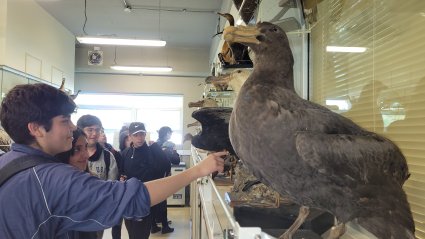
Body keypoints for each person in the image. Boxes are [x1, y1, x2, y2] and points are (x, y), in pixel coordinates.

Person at [0, 83, 225, 239]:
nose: (72, 127)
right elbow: (134, 198)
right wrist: (197, 170)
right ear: (36, 128)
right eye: (65, 120)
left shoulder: (7, 163)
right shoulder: (52, 180)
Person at [120, 122, 161, 239]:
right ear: (130, 136)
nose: (140, 138)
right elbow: (121, 173)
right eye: (136, 135)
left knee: (141, 234)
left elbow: (161, 173)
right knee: (131, 233)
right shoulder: (125, 153)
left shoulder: (152, 152)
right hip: (128, 199)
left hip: (145, 199)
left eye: (142, 134)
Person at [55, 128, 97, 239]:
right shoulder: (55, 187)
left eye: (85, 147)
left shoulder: (90, 181)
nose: (86, 155)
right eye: (77, 149)